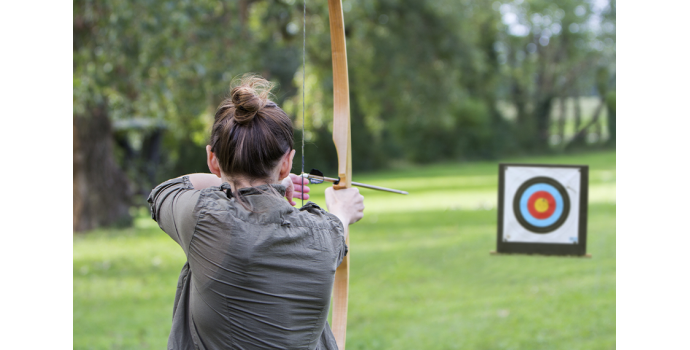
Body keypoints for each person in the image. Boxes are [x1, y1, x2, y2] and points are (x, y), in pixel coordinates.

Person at [147, 75, 364, 350]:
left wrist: (243, 182)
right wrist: (342, 211)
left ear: (212, 159)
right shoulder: (325, 233)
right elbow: (336, 232)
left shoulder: (204, 218)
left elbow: (166, 190)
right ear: (286, 164)